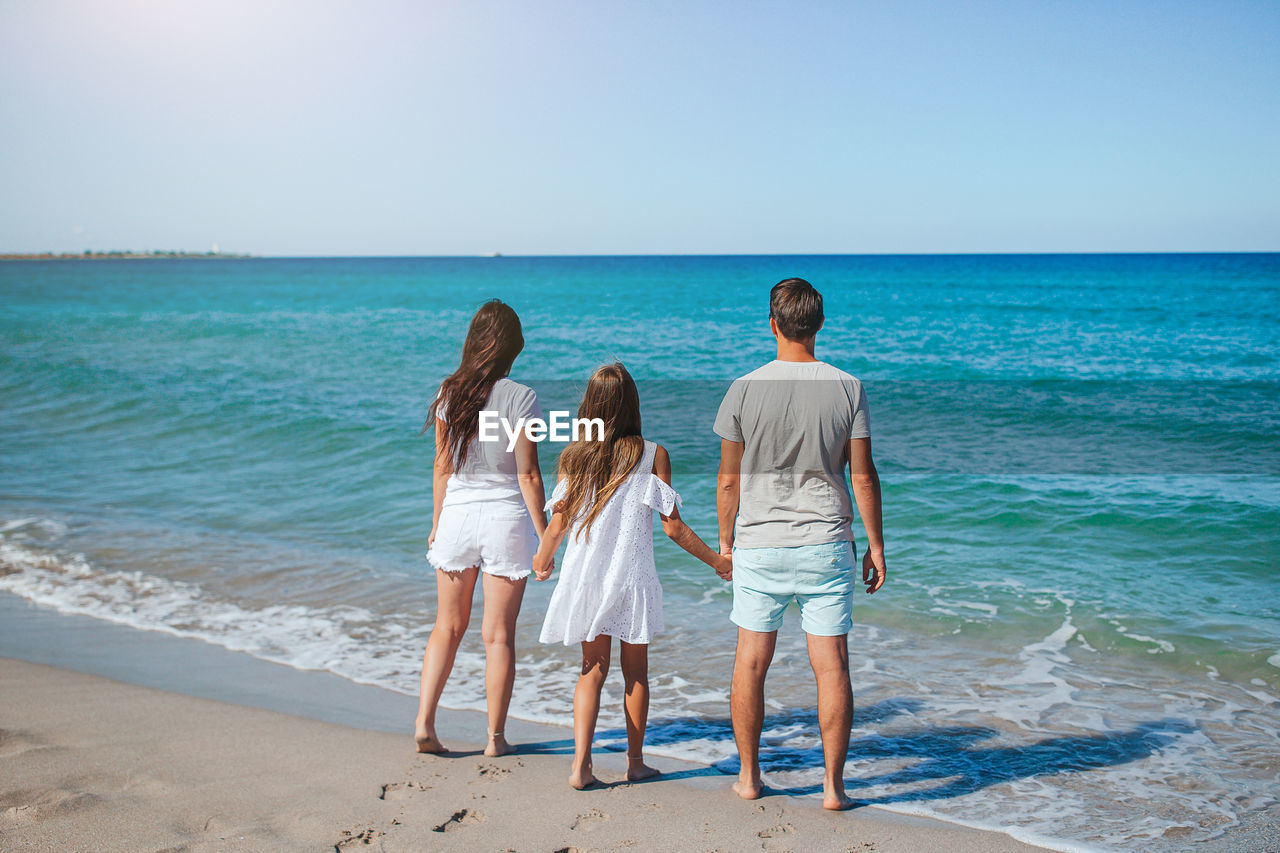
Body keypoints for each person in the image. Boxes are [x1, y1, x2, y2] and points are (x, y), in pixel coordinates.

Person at [714, 278, 886, 810]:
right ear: (819, 324)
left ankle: (748, 776)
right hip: (826, 543)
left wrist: (725, 543)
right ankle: (834, 789)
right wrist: (876, 546)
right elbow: (862, 477)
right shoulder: (847, 387)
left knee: (750, 664)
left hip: (759, 543)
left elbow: (728, 479)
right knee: (832, 664)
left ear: (773, 324)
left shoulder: (743, 387)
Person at [534, 363, 731, 789]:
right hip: (632, 578)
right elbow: (673, 527)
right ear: (632, 404)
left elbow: (558, 524)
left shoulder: (575, 455)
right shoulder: (652, 454)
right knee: (635, 673)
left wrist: (542, 559)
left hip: (587, 578)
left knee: (591, 669)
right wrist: (717, 560)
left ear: (590, 405)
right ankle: (635, 762)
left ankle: (581, 766)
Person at [416, 299, 547, 757]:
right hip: (505, 519)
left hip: (457, 516)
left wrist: (437, 524)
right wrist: (546, 534)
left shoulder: (449, 391)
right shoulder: (522, 397)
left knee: (446, 627)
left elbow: (441, 467)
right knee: (498, 636)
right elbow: (529, 475)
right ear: (514, 346)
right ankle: (494, 739)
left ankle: (425, 724)